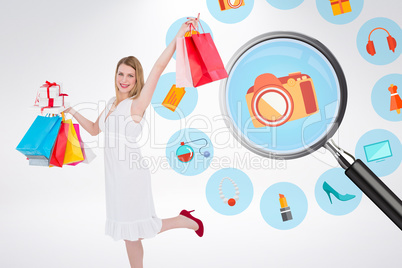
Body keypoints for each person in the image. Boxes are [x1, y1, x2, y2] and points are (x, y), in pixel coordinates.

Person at [64, 16, 203, 268]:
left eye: (130, 75)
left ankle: (185, 222)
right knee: (131, 231)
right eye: (121, 73)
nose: (124, 79)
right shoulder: (110, 103)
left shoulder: (136, 104)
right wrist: (70, 109)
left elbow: (158, 68)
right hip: (114, 176)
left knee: (134, 231)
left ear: (137, 79)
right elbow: (95, 130)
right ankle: (183, 220)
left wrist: (178, 37)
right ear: (115, 75)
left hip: (132, 174)